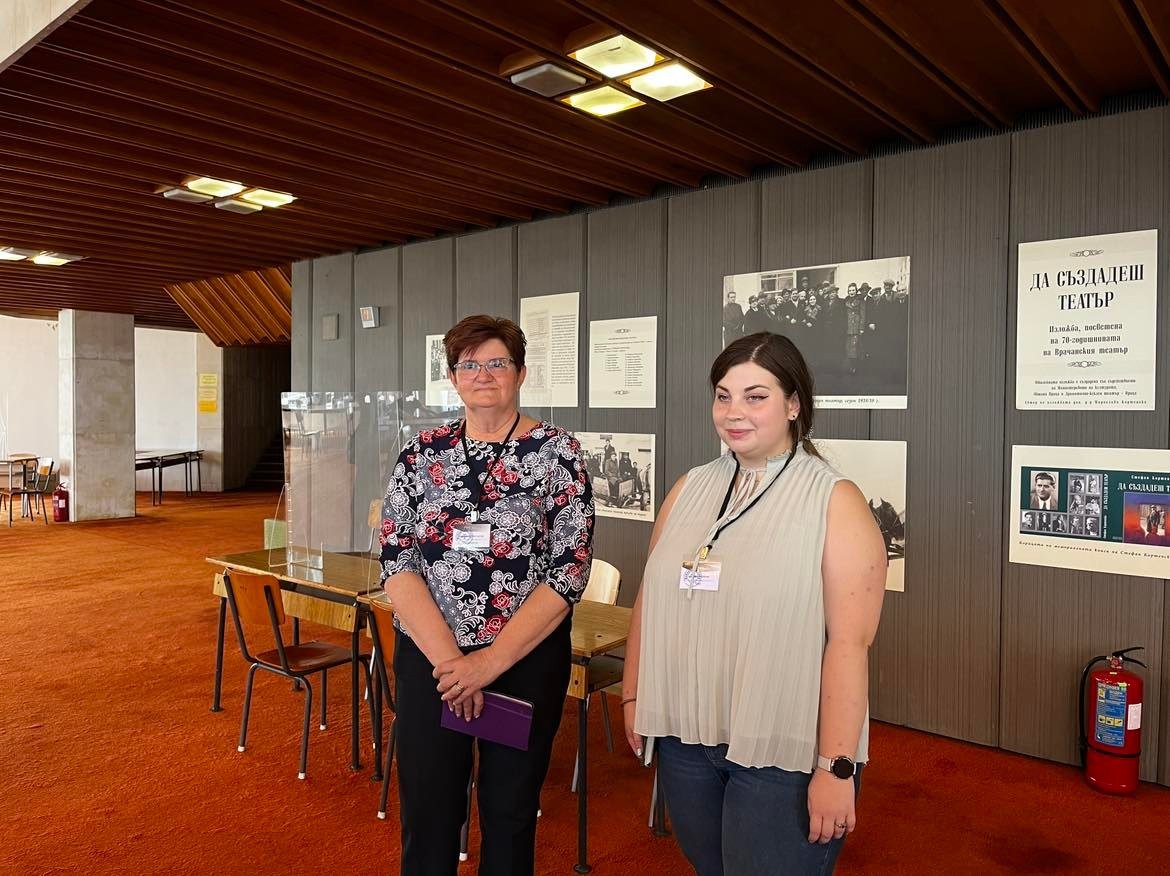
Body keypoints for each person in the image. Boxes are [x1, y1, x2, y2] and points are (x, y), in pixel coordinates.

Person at [622, 332, 886, 875]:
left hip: (782, 748)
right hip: (685, 734)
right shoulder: (689, 488)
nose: (734, 412)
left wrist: (836, 768)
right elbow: (651, 597)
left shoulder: (834, 500)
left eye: (755, 396)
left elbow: (849, 644)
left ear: (793, 405)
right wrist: (634, 696)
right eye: (723, 396)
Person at [379, 314, 595, 876]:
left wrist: (489, 664)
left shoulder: (558, 453)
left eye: (497, 362)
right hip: (434, 665)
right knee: (429, 813)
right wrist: (455, 665)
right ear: (453, 378)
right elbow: (397, 561)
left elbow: (568, 571)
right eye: (469, 364)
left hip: (520, 665)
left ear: (520, 373)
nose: (483, 374)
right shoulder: (421, 453)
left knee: (510, 812)